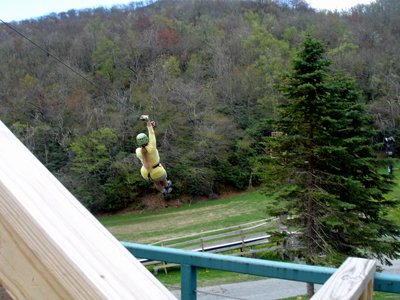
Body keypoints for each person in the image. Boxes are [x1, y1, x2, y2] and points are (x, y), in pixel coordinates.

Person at [136, 117, 172, 197]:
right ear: (147, 140)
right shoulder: (152, 147)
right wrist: (148, 121)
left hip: (145, 173)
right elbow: (151, 133)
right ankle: (166, 186)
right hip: (157, 171)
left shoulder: (138, 151)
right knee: (163, 179)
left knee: (156, 182)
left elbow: (143, 149)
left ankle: (163, 191)